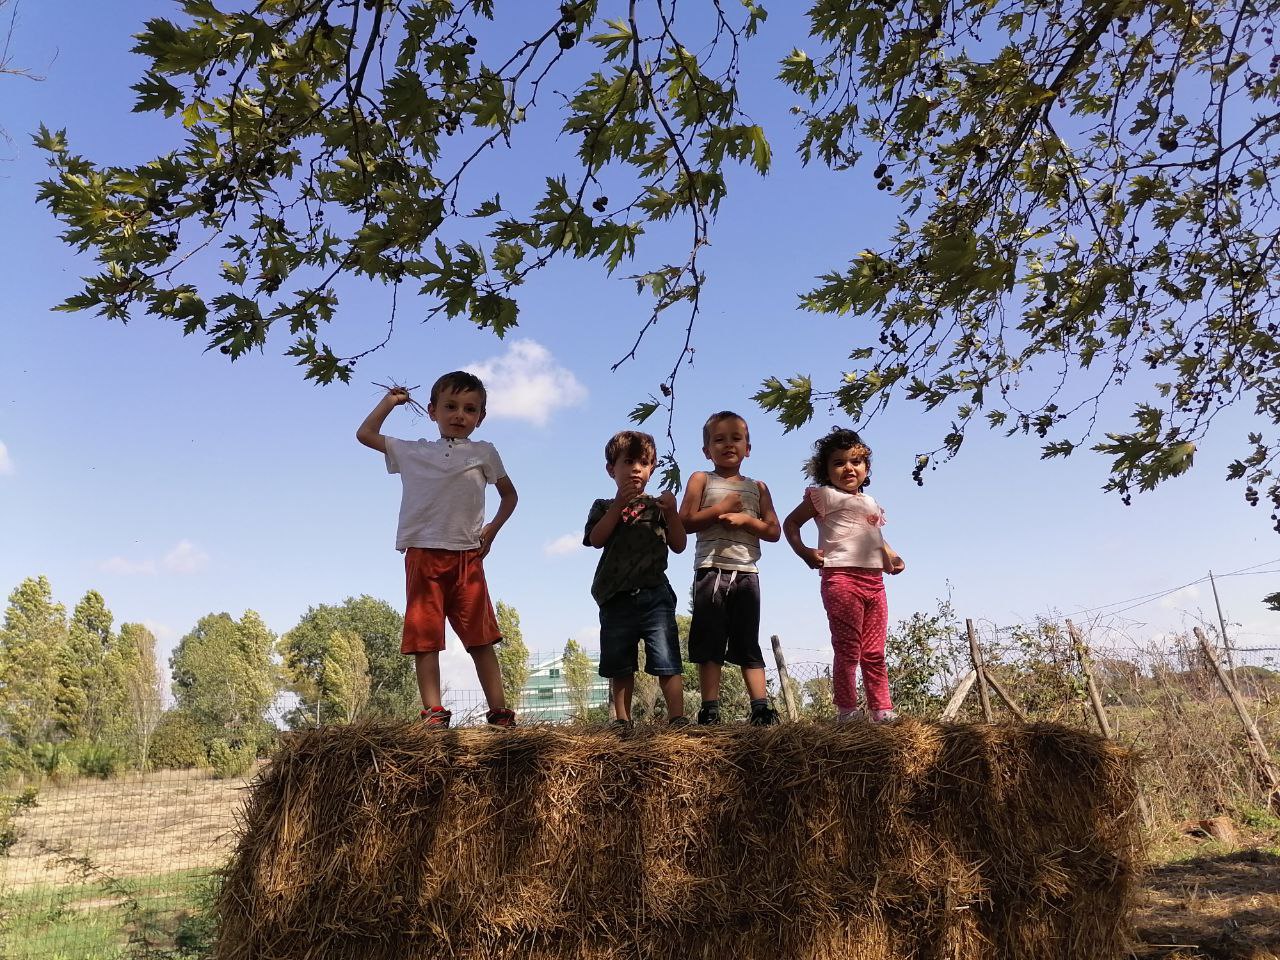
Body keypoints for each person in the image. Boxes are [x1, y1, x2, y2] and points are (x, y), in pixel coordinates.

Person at [356, 371, 518, 728]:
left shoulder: (485, 452)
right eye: (450, 406)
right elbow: (365, 434)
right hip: (423, 555)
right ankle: (433, 712)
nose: (459, 415)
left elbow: (510, 496)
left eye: (470, 409)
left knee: (481, 639)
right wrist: (390, 402)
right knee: (425, 638)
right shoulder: (414, 451)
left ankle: (500, 713)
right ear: (432, 411)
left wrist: (491, 531)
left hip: (466, 558)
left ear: (481, 417)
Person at [782, 427, 905, 723]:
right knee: (848, 649)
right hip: (841, 580)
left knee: (874, 650)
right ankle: (847, 711)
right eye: (838, 463)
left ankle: (881, 710)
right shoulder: (824, 496)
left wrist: (891, 556)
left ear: (866, 467)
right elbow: (791, 523)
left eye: (856, 462)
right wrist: (805, 552)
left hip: (875, 583)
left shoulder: (871, 502)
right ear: (826, 470)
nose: (848, 468)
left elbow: (873, 535)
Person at [678, 411, 782, 725]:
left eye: (736, 438)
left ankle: (760, 708)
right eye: (719, 439)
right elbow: (684, 522)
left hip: (747, 573)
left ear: (748, 447)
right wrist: (721, 509)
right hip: (711, 570)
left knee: (748, 640)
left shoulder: (758, 487)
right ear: (706, 450)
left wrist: (747, 521)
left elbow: (773, 531)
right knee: (710, 639)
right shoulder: (701, 479)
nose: (728, 445)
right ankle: (710, 709)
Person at [584, 430, 689, 727]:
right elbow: (596, 539)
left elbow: (679, 545)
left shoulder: (659, 507)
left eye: (643, 462)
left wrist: (673, 514)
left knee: (667, 658)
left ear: (652, 469)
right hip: (615, 596)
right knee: (620, 663)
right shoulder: (603, 506)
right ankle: (622, 720)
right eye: (628, 461)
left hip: (655, 594)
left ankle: (677, 717)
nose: (635, 469)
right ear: (611, 469)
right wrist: (618, 505)